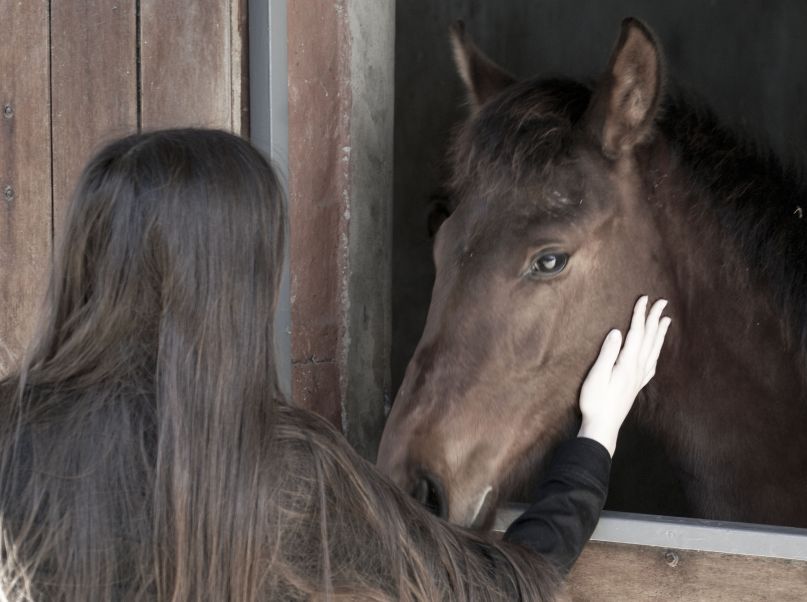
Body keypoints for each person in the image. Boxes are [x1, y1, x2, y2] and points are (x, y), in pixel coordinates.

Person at [0, 129, 670, 601]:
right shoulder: (293, 474)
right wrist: (596, 434)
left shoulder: (10, 435)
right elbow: (501, 588)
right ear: (241, 282)